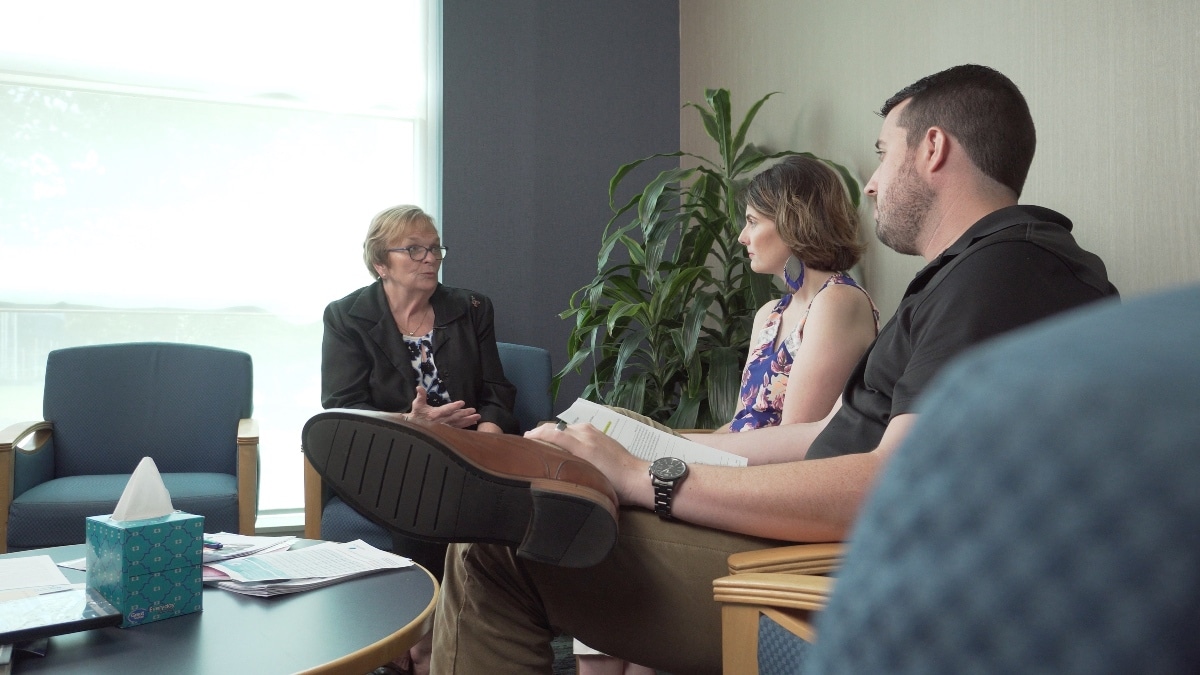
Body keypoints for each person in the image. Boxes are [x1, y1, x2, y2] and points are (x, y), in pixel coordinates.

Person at [303, 65, 1118, 674]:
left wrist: (650, 477)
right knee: (559, 469)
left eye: (882, 153)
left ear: (934, 148)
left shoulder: (1002, 271)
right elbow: (829, 439)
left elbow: (885, 486)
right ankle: (528, 457)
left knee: (501, 545)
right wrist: (653, 442)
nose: (871, 180)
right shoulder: (973, 277)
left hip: (824, 578)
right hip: (806, 541)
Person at [577, 153, 879, 675]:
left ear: (793, 221)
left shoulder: (839, 303)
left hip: (768, 501)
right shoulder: (771, 313)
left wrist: (672, 454)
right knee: (606, 466)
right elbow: (742, 425)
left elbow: (794, 445)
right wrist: (670, 443)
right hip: (733, 475)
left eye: (752, 220)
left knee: (622, 541)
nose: (741, 236)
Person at [807, 283, 1200, 674]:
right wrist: (740, 459)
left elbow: (882, 479)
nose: (744, 238)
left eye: (754, 221)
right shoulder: (944, 288)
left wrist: (743, 487)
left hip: (827, 552)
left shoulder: (982, 298)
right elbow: (828, 426)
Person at [320, 204, 518, 675]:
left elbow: (496, 390)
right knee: (422, 492)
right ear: (380, 263)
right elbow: (341, 407)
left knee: (463, 488)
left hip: (469, 450)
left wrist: (488, 437)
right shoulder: (347, 316)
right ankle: (429, 634)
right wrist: (411, 424)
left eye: (434, 248)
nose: (430, 258)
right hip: (388, 452)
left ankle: (444, 635)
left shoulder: (470, 308)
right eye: (414, 249)